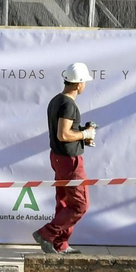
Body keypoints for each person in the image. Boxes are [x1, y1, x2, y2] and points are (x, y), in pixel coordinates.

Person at [32, 63, 95, 255]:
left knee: (65, 203)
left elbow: (64, 133)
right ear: (78, 84)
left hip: (59, 158)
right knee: (80, 204)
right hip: (70, 161)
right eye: (84, 82)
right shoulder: (69, 104)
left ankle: (60, 244)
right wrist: (84, 135)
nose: (85, 85)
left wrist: (83, 131)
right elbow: (64, 135)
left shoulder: (56, 100)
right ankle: (47, 234)